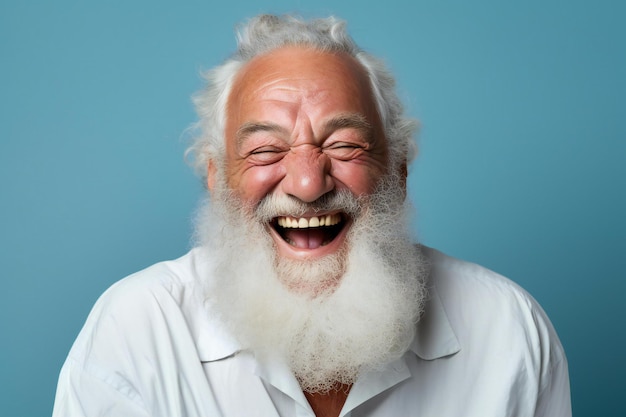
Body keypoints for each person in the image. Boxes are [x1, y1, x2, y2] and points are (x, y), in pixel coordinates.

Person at [52, 14, 571, 417]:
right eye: (264, 151)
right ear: (217, 178)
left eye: (344, 145)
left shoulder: (507, 330)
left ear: (398, 171)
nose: (307, 183)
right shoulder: (138, 331)